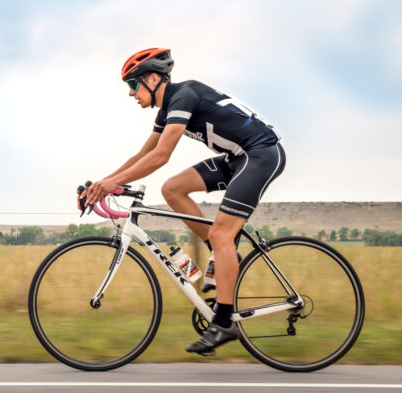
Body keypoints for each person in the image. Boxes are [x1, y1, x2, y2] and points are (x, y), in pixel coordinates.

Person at [82, 48, 285, 355]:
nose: (131, 93)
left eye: (132, 85)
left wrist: (112, 183)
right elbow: (143, 155)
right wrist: (102, 184)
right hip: (237, 157)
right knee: (173, 189)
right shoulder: (167, 109)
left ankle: (224, 322)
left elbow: (162, 156)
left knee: (221, 233)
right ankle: (222, 252)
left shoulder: (184, 95)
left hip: (261, 154)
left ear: (152, 78)